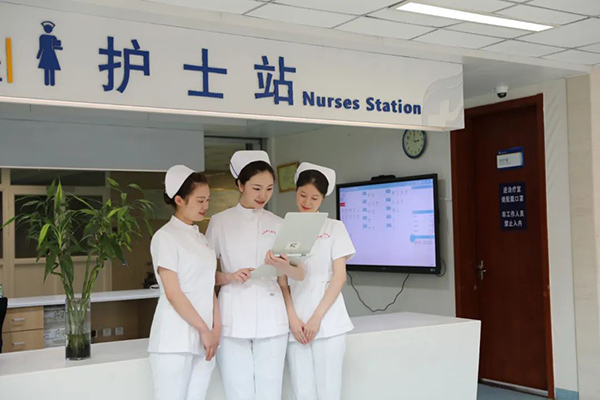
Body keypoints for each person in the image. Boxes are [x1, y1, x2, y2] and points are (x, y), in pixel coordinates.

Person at [206, 150, 304, 400]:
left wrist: (281, 265)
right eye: (256, 188)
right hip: (232, 313)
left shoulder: (279, 223)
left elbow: (292, 276)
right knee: (238, 390)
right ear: (240, 185)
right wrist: (230, 276)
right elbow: (204, 275)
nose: (263, 195)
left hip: (272, 313)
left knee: (270, 390)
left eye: (269, 189)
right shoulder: (219, 222)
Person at [279, 162, 355, 400]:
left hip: (328, 320)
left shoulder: (335, 228)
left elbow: (339, 277)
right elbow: (282, 280)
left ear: (323, 199)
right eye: (302, 195)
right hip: (296, 323)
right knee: (302, 391)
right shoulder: (285, 228)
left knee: (329, 390)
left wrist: (317, 318)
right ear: (296, 192)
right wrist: (292, 318)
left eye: (314, 198)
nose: (307, 202)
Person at [148, 165, 220, 400]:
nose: (205, 206)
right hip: (174, 339)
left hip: (205, 339)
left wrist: (215, 330)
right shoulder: (165, 237)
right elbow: (173, 293)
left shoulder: (201, 239)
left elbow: (208, 286)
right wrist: (204, 330)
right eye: (199, 200)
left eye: (207, 200)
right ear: (179, 200)